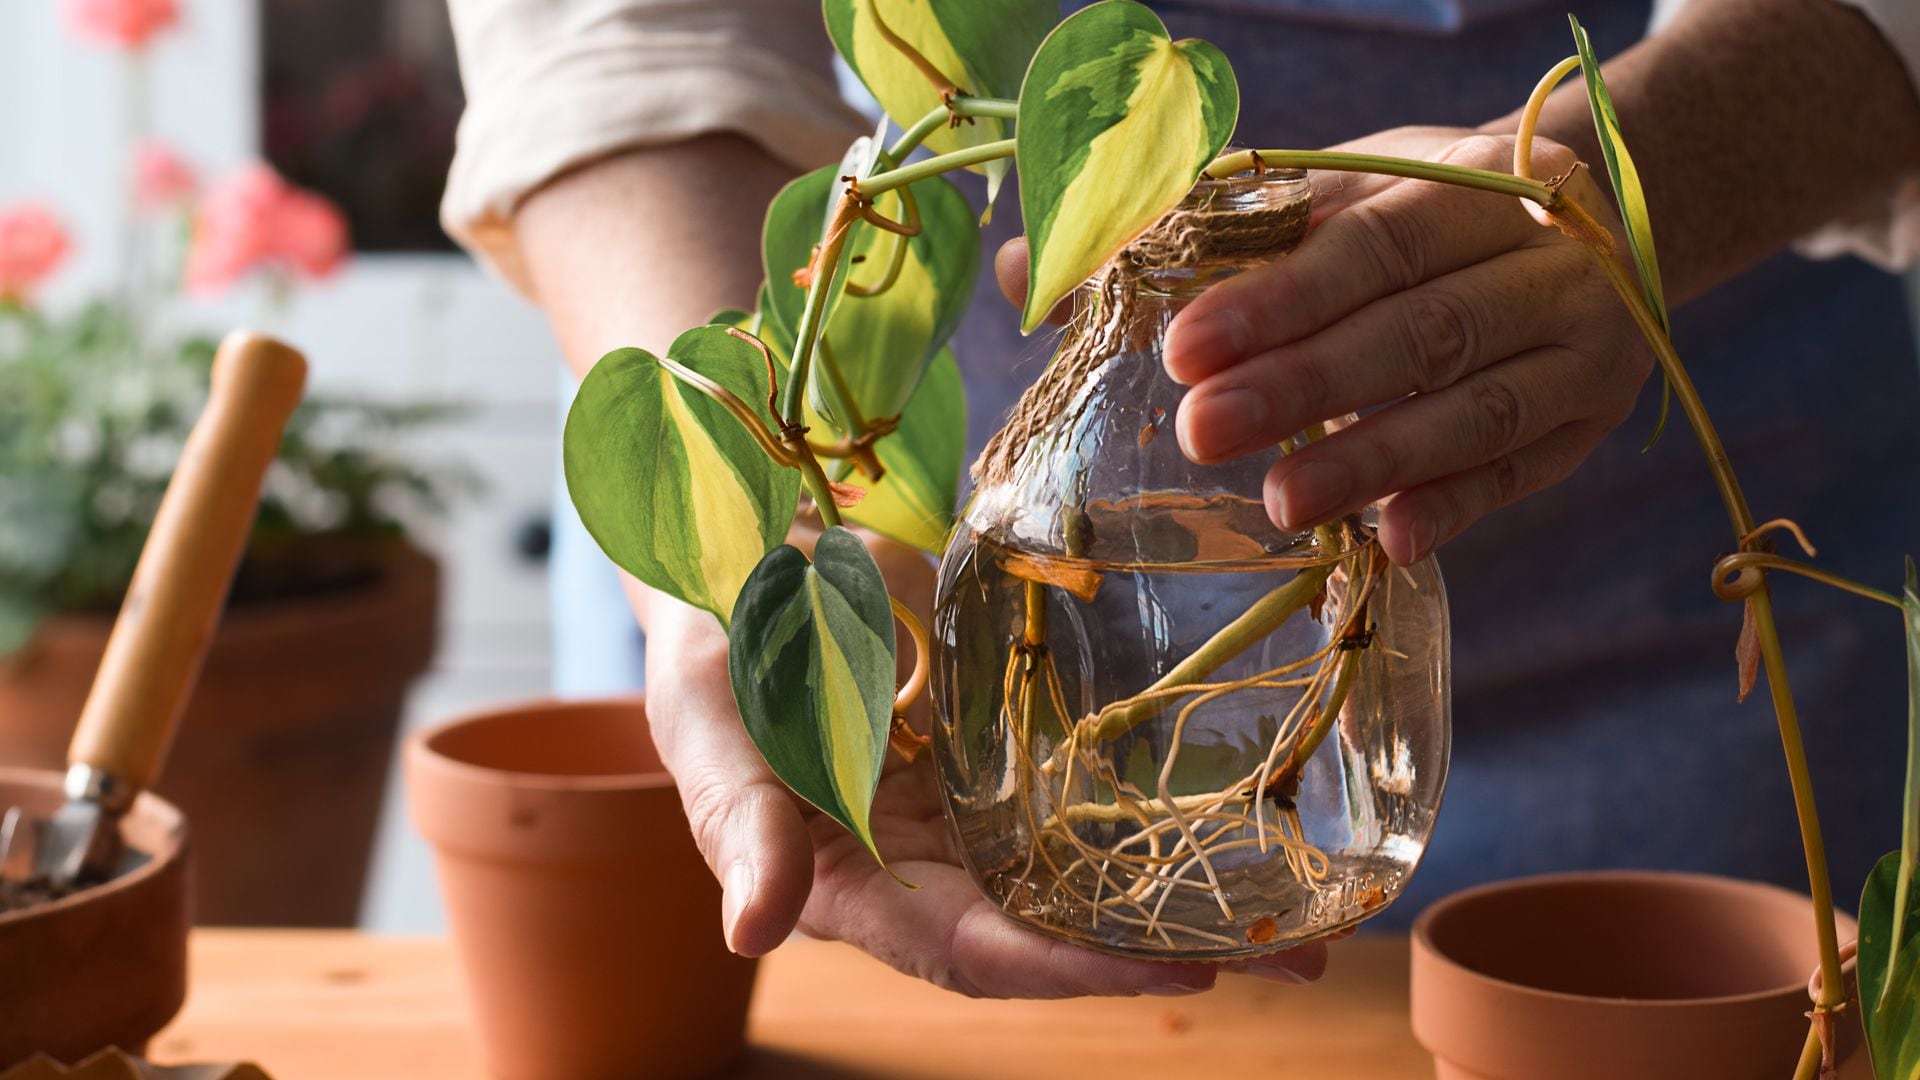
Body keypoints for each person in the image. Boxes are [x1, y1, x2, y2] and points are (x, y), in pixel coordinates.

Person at [441, 0, 1920, 998]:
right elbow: (611, 37)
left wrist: (1625, 183)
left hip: (1693, 529)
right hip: (896, 588)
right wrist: (750, 557)